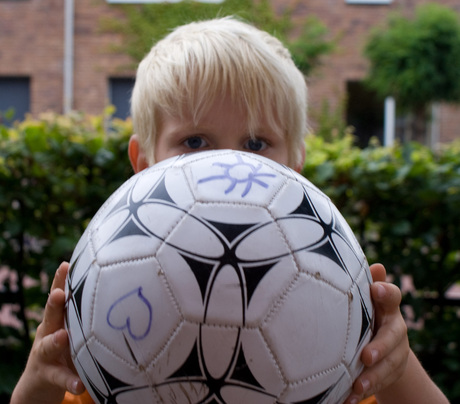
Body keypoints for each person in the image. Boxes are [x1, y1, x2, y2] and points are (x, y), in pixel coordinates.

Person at [11, 17, 448, 404]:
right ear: (143, 165)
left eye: (256, 145)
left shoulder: (329, 325)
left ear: (296, 169)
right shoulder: (110, 326)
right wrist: (41, 375)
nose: (228, 166)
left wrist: (395, 363)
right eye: (195, 142)